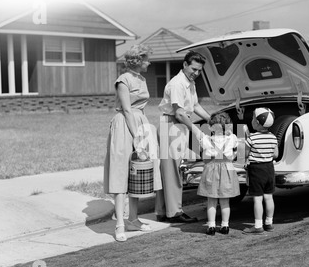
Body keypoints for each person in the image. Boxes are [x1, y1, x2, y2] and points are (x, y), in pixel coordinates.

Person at [103, 44, 162, 242]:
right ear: (137, 60)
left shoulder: (141, 79)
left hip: (140, 123)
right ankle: (120, 223)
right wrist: (137, 136)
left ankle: (133, 219)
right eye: (146, 59)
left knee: (137, 171)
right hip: (125, 125)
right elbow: (127, 110)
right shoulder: (123, 80)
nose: (149, 62)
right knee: (121, 172)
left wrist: (143, 133)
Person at [155, 51, 211, 223]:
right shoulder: (178, 84)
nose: (196, 73)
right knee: (173, 171)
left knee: (169, 169)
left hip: (178, 125)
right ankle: (175, 213)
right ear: (185, 65)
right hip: (172, 125)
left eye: (199, 70)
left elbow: (194, 105)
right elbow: (179, 113)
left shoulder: (190, 82)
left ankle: (163, 211)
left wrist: (211, 119)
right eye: (194, 69)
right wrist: (198, 133)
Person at [191, 112, 240, 235]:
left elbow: (202, 152)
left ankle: (211, 226)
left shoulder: (206, 140)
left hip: (211, 169)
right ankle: (225, 225)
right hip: (227, 169)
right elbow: (235, 152)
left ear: (212, 127)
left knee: (211, 201)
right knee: (225, 201)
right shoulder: (232, 138)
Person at [242, 107, 278, 235]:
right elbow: (275, 155)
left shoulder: (251, 138)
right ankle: (269, 223)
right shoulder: (273, 138)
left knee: (257, 199)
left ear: (256, 122)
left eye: (252, 118)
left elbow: (245, 154)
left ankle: (258, 226)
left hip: (256, 170)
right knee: (269, 197)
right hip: (269, 168)